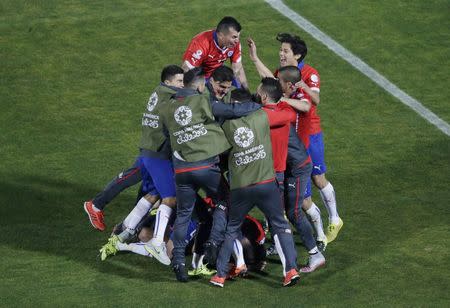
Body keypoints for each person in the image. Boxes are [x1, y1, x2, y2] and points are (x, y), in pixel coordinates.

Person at [159, 68, 260, 283]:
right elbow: (232, 111)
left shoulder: (167, 106)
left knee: (185, 214)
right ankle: (213, 243)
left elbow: (167, 136)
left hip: (182, 170)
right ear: (198, 85)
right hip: (205, 167)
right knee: (224, 199)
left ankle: (178, 261)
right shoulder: (202, 100)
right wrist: (259, 104)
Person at [210, 78, 300, 288]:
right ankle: (291, 270)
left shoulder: (226, 126)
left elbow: (219, 153)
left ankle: (220, 276)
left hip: (241, 187)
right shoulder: (262, 116)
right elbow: (288, 114)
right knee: (279, 224)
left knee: (232, 229)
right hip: (267, 183)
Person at [83, 66, 184, 232]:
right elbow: (190, 97)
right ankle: (148, 237)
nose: (182, 85)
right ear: (168, 82)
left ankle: (103, 210)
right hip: (156, 151)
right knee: (166, 195)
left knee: (134, 180)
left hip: (150, 146)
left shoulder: (159, 91)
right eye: (179, 81)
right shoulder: (169, 94)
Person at [182, 16, 248, 89]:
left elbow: (238, 69)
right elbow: (187, 70)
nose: (237, 41)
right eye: (234, 37)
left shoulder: (234, 44)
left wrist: (246, 91)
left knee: (238, 90)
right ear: (220, 35)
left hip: (217, 74)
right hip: (201, 77)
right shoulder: (201, 43)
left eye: (238, 37)